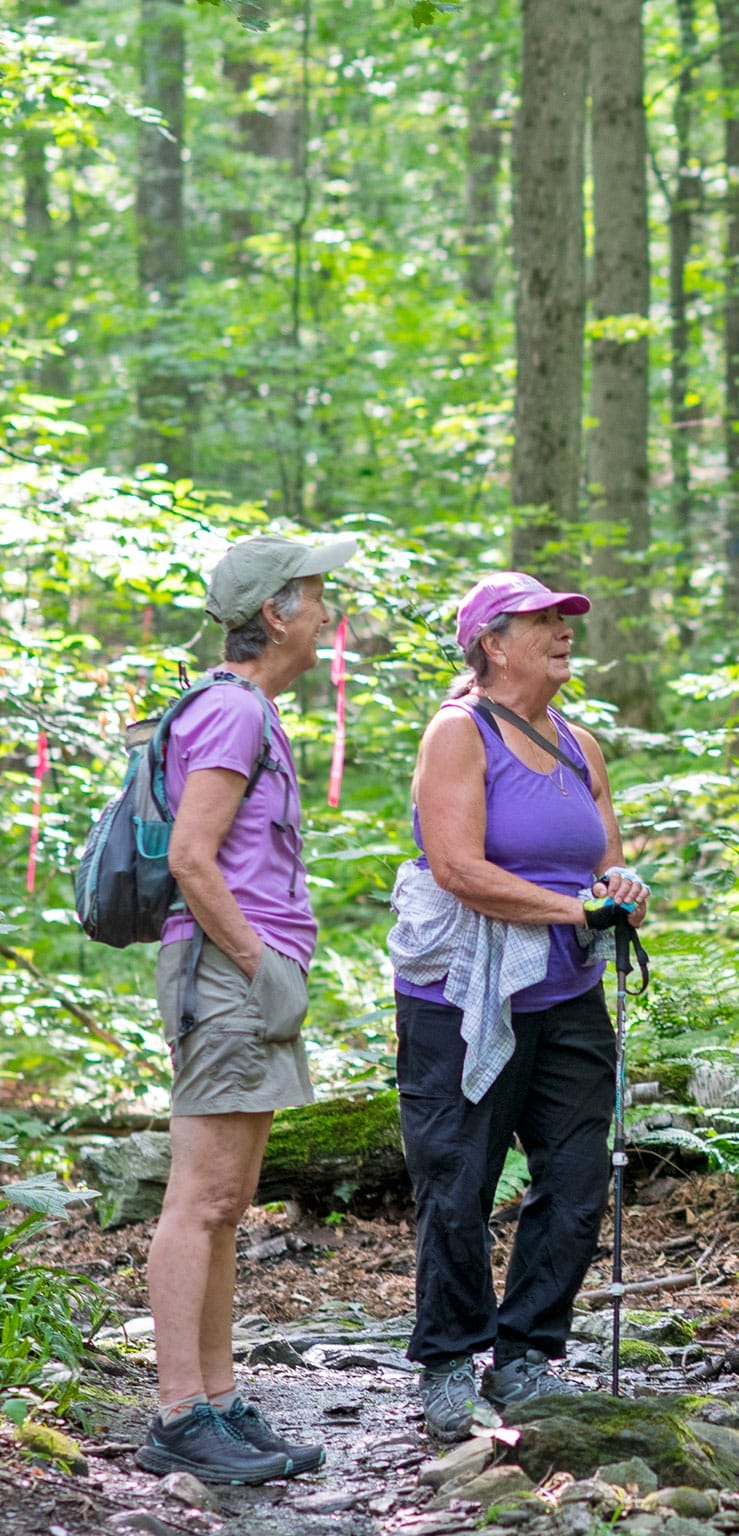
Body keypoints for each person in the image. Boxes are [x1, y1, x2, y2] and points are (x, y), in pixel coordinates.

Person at [389, 572, 649, 1442]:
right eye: (544, 623)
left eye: (567, 621)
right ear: (493, 643)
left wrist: (617, 886)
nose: (564, 634)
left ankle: (528, 1353)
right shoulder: (458, 732)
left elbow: (604, 858)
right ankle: (449, 1364)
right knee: (457, 1182)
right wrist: (576, 909)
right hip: (461, 993)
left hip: (566, 990)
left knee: (577, 1179)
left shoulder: (578, 742)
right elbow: (458, 868)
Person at [139, 534, 357, 1484]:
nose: (327, 613)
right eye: (315, 597)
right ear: (275, 614)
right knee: (200, 1202)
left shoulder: (249, 710)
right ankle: (179, 1413)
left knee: (228, 1205)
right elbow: (193, 858)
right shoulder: (231, 714)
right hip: (227, 980)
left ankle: (219, 1402)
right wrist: (260, 966)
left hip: (242, 979)